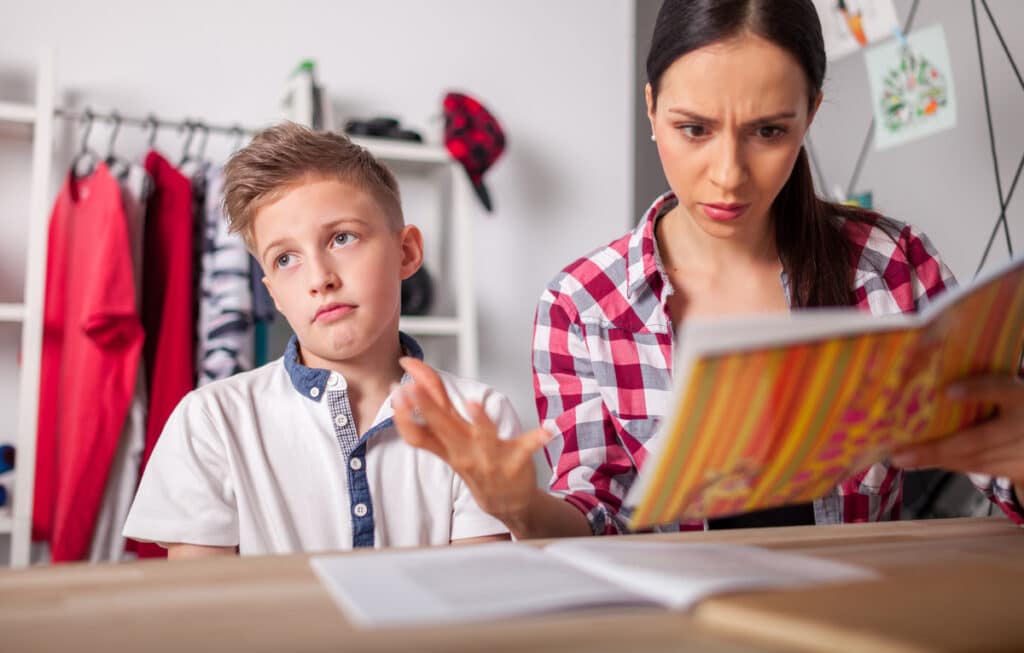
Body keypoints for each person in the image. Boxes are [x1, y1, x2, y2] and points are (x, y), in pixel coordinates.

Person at [391, 0, 1024, 538]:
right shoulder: (580, 305)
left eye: (769, 131)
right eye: (693, 129)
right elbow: (598, 517)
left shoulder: (891, 266)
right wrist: (519, 506)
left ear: (812, 115)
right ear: (650, 108)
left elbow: (996, 464)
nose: (729, 175)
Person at [123, 123, 520, 558]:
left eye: (342, 238)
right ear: (271, 290)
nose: (319, 279)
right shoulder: (212, 420)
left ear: (406, 253)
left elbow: (478, 601)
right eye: (286, 259)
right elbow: (202, 611)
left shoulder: (478, 417)